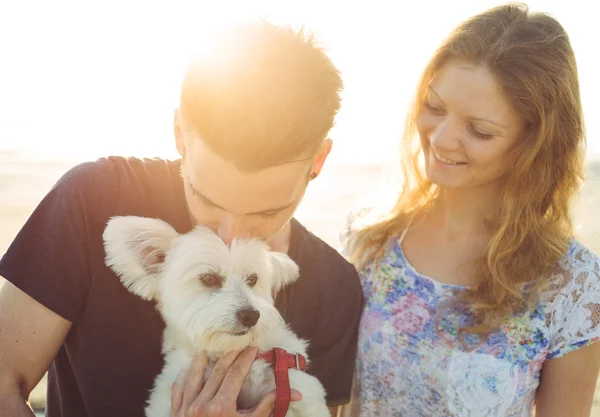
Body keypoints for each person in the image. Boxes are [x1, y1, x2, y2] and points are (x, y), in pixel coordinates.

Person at [0, 20, 364, 417]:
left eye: (266, 212)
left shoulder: (335, 288)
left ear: (318, 161)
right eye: (208, 200)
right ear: (180, 134)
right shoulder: (95, 198)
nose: (230, 234)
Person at [341, 3, 600, 416]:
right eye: (435, 107)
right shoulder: (369, 235)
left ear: (534, 144)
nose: (441, 139)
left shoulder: (572, 285)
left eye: (479, 130)